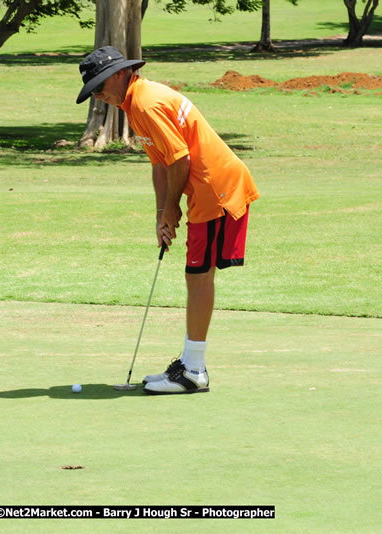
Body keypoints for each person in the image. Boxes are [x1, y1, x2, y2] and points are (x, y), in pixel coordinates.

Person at [76, 46, 259, 395]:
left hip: (217, 188)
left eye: (100, 88)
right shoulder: (135, 104)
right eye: (94, 93)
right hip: (204, 190)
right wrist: (162, 214)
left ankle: (193, 371)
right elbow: (159, 165)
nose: (99, 97)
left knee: (199, 275)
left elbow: (180, 161)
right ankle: (191, 364)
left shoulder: (146, 102)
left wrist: (173, 208)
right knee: (197, 275)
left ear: (119, 74)